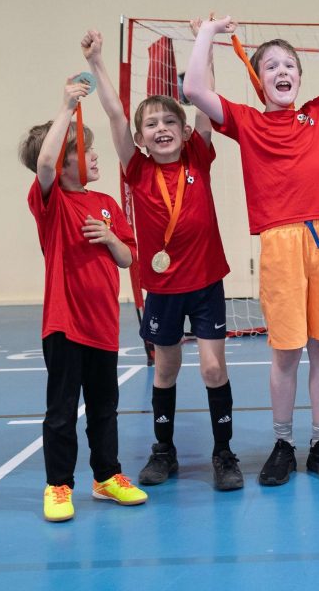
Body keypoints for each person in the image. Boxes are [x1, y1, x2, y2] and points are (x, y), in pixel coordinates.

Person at [183, 0, 319, 487]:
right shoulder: (247, 121)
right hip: (280, 243)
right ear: (259, 78)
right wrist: (208, 33)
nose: (282, 72)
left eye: (289, 65)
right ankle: (283, 442)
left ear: (299, 77)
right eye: (271, 66)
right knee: (286, 350)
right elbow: (195, 87)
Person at [80, 29, 241, 491]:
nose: (161, 129)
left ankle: (223, 453)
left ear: (185, 130)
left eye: (169, 121)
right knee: (166, 369)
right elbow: (113, 111)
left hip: (206, 281)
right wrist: (97, 62)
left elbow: (204, 96)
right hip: (164, 289)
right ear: (140, 138)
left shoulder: (199, 155)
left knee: (213, 368)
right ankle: (164, 450)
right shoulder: (137, 169)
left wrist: (203, 42)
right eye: (150, 125)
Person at [20, 73, 147, 522]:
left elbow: (129, 259)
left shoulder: (107, 203)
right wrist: (64, 108)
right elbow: (46, 164)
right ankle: (58, 485)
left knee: (104, 409)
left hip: (102, 327)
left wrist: (111, 238)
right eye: (85, 150)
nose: (94, 156)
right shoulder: (50, 202)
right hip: (64, 324)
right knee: (60, 412)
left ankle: (107, 477)